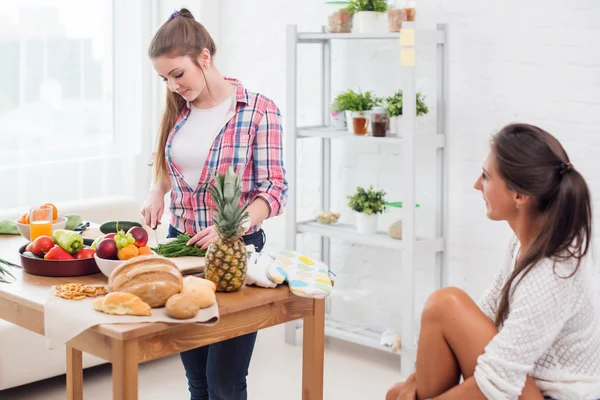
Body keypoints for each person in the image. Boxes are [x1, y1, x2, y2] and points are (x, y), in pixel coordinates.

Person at [386, 123, 600, 400]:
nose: (476, 185)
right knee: (398, 390)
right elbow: (489, 315)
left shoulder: (552, 271)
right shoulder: (525, 242)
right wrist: (413, 381)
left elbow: (497, 379)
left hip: (555, 396)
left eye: (486, 177)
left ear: (519, 195)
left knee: (445, 302)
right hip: (526, 382)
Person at [141, 8, 288, 400]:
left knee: (224, 381)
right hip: (182, 250)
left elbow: (274, 191)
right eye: (165, 79)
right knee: (198, 381)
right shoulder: (179, 109)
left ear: (204, 57)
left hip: (235, 253)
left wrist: (234, 225)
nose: (173, 86)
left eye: (178, 74)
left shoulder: (259, 110)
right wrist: (158, 188)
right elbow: (171, 160)